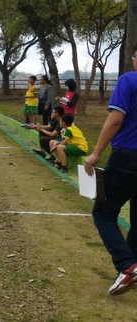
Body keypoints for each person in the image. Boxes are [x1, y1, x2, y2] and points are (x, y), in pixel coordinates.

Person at [84, 50, 137, 296]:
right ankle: (131, 269)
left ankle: (127, 267)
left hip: (127, 156)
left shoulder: (129, 80)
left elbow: (116, 119)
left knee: (103, 213)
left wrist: (96, 153)